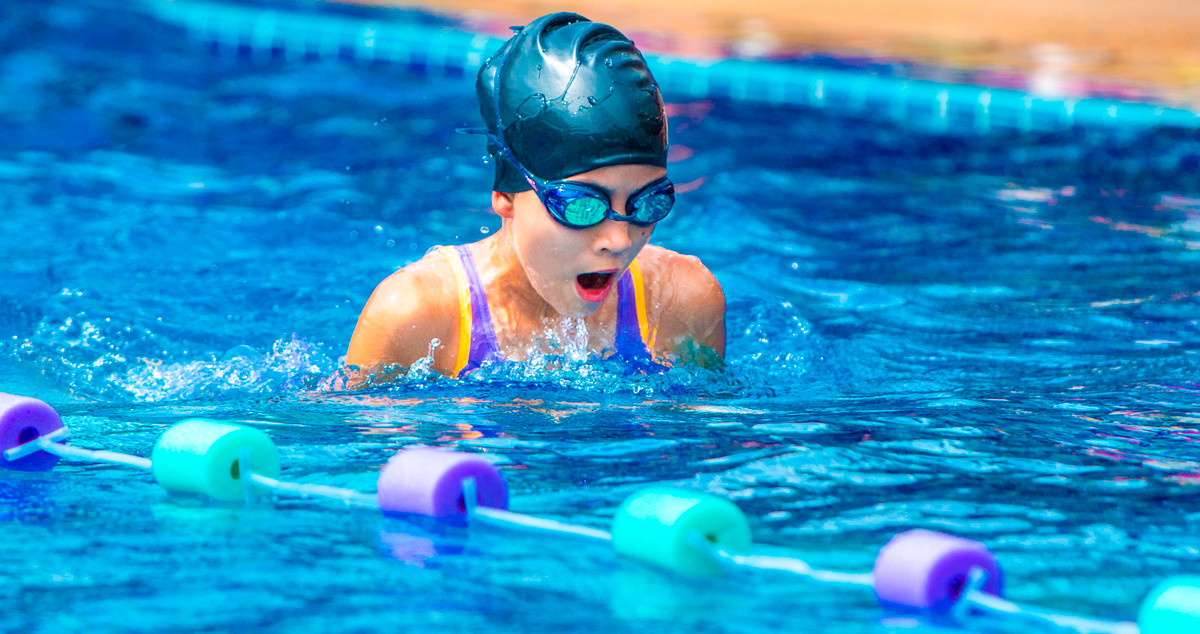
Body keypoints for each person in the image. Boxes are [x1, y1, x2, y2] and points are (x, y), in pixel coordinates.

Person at [345, 12, 724, 383]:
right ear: (506, 194)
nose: (619, 240)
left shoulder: (681, 303)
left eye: (647, 204)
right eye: (582, 206)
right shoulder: (417, 315)